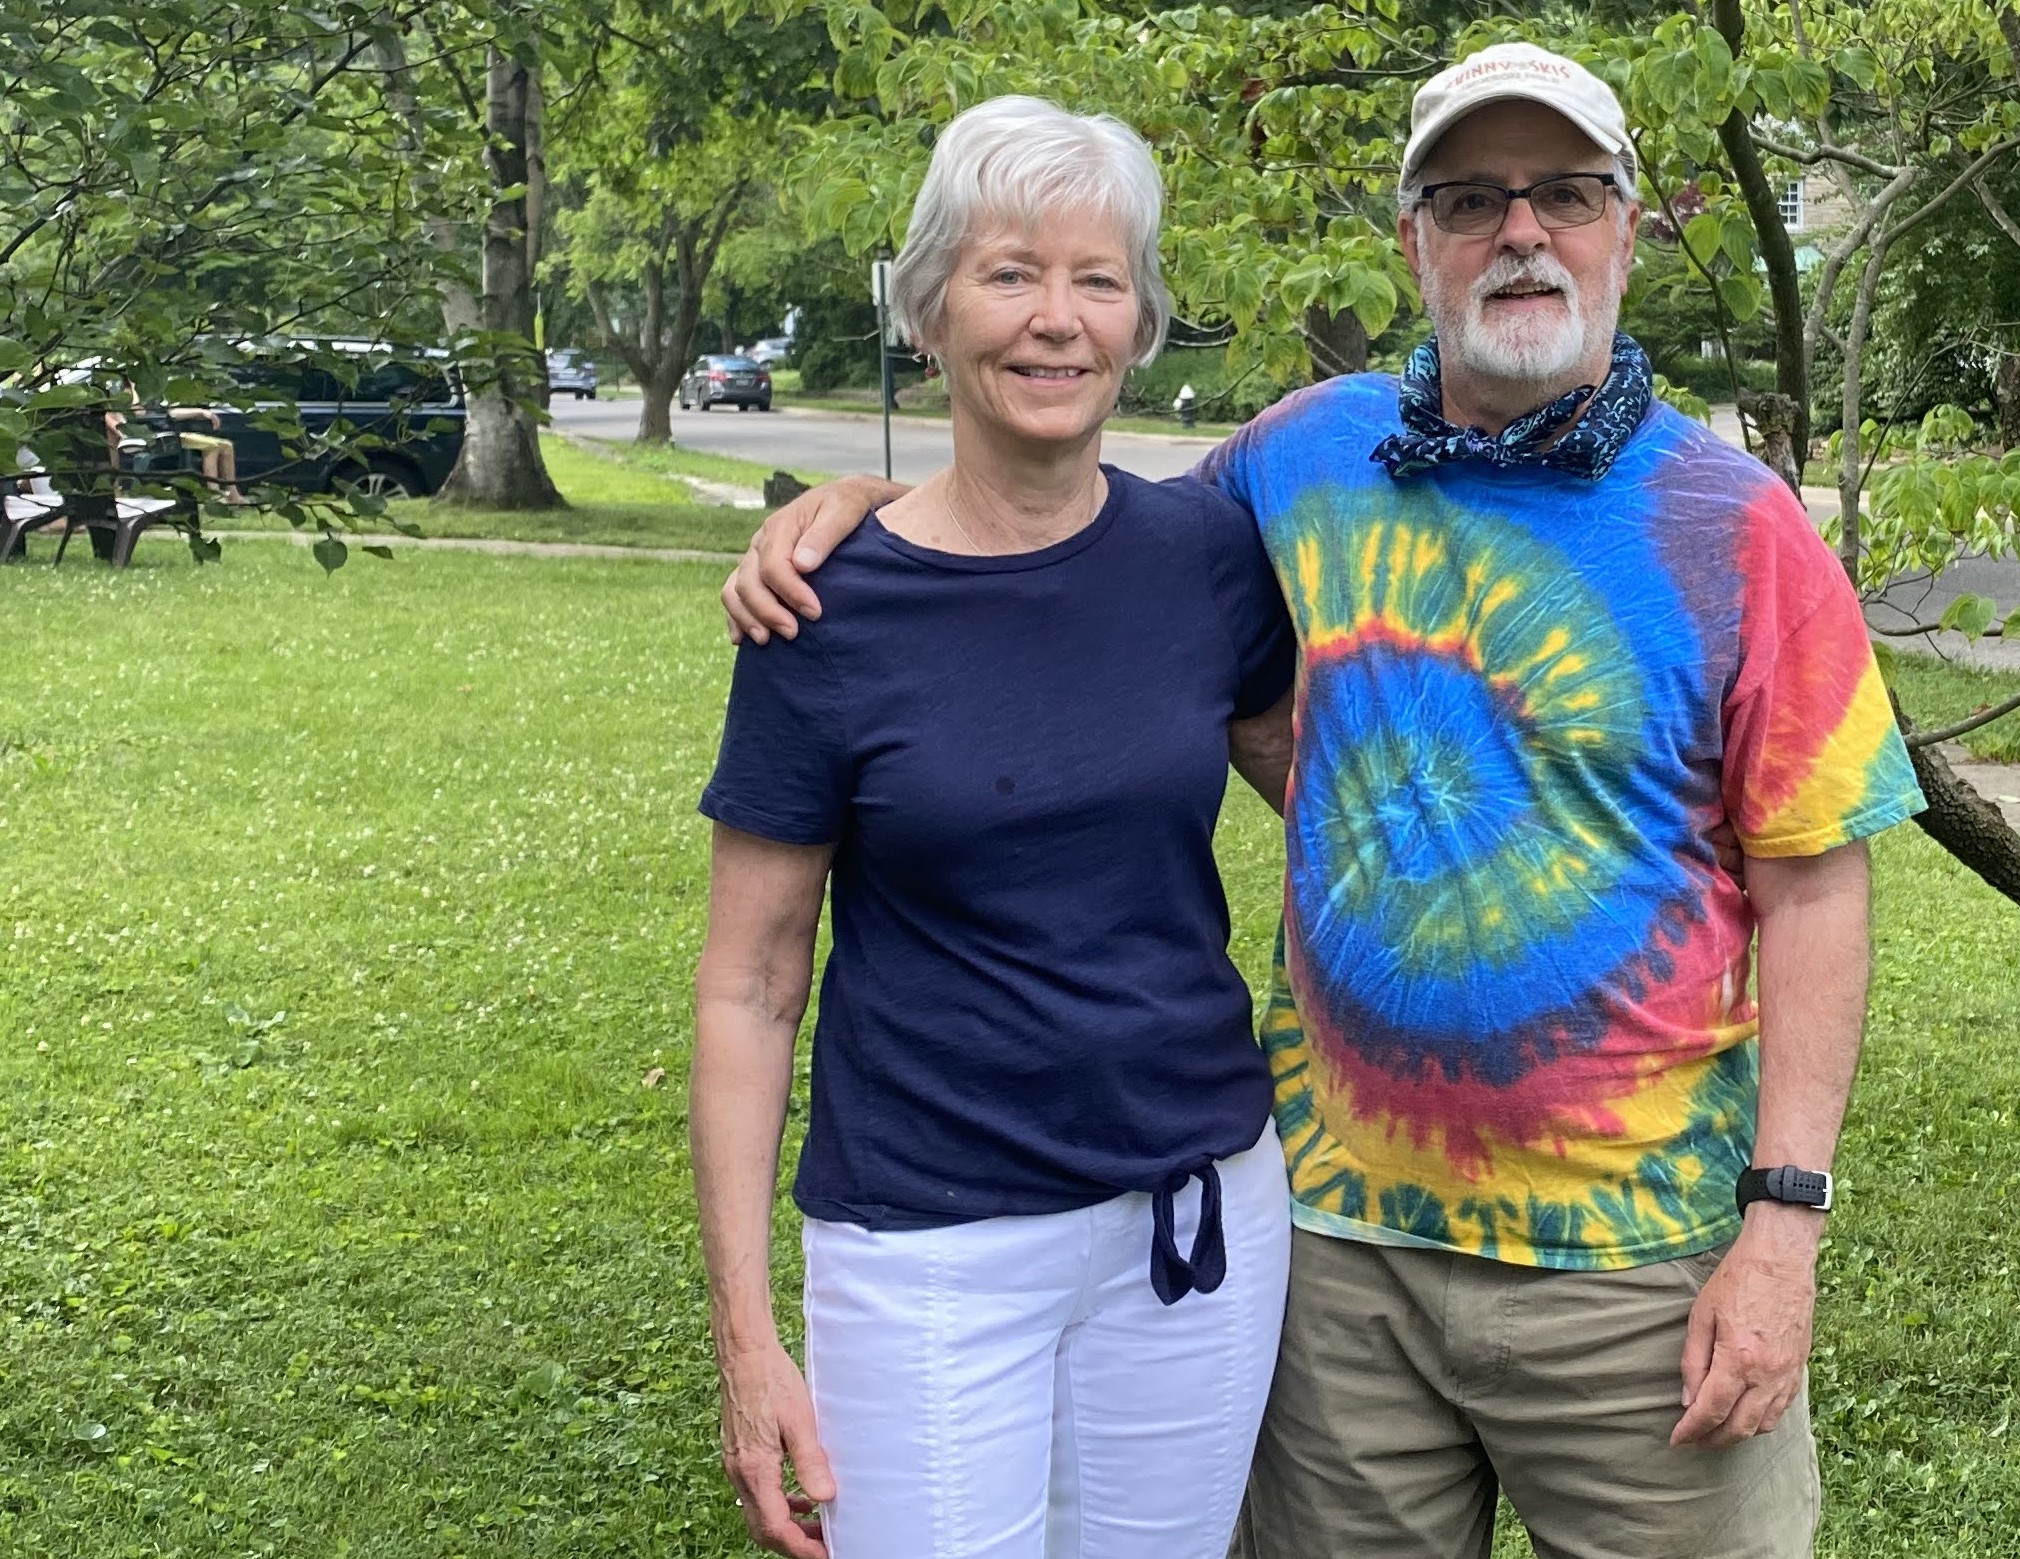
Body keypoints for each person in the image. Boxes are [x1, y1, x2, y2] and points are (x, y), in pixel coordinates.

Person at [723, 44, 1927, 1559]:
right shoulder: (1303, 458)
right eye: (1471, 199)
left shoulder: (1732, 525)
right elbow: (1068, 527)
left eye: (1564, 193)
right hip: (1328, 1252)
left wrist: (1784, 1226)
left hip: (1642, 1271)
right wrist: (861, 519)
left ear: (1627, 226)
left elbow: (1816, 881)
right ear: (1413, 238)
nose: (1521, 234)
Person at [690, 96, 1298, 1559]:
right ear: (930, 310)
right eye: (1009, 273)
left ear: (1141, 319)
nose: (1056, 321)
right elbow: (749, 982)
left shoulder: (1207, 555)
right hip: (927, 1249)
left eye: (1098, 280)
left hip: (1196, 1223)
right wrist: (746, 1341)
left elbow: (1328, 800)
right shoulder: (819, 606)